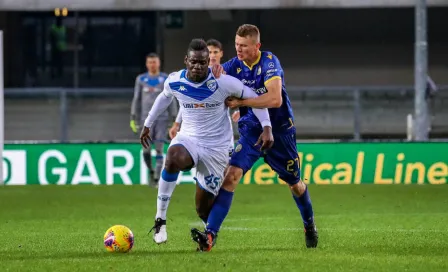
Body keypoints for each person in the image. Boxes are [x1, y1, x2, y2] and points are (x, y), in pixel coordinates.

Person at [191, 24, 318, 251]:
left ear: (257, 46)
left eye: (244, 46)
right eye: (236, 45)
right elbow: (209, 80)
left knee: (295, 185)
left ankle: (309, 225)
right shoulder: (234, 66)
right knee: (231, 175)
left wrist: (241, 103)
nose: (238, 50)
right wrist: (213, 71)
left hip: (280, 131)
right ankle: (210, 235)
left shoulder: (269, 63)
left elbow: (275, 99)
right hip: (251, 130)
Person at [140, 38, 274, 244]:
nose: (198, 66)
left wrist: (267, 127)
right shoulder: (175, 80)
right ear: (186, 60)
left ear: (208, 62)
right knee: (173, 157)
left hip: (217, 148)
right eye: (194, 62)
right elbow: (164, 97)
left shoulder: (223, 82)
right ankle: (160, 219)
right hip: (189, 139)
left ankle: (210, 232)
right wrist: (148, 123)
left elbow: (254, 97)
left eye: (202, 62)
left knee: (203, 209)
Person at [170, 38, 238, 157]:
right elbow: (187, 101)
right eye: (210, 52)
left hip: (220, 130)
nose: (212, 56)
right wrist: (177, 123)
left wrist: (239, 108)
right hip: (197, 130)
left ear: (221, 53)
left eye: (215, 52)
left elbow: (241, 95)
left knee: (227, 166)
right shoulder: (195, 75)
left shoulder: (227, 75)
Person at [131, 53, 177, 187]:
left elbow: (171, 99)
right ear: (146, 64)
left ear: (159, 63)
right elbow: (136, 99)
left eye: (154, 62)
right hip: (145, 120)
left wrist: (173, 119)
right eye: (150, 62)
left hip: (161, 120)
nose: (152, 64)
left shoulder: (165, 79)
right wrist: (133, 116)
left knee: (159, 148)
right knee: (145, 150)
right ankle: (151, 171)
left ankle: (157, 178)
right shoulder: (141, 79)